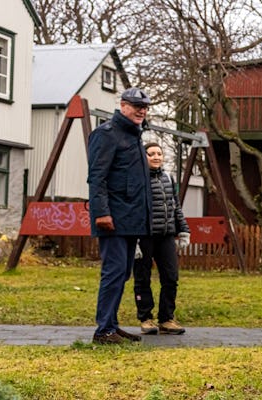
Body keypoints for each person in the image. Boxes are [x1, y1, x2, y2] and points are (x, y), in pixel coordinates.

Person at [87, 87, 154, 344]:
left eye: (144, 107)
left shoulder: (134, 136)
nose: (141, 111)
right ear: (123, 105)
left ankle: (111, 325)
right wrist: (101, 213)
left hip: (132, 219)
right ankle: (103, 330)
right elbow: (97, 177)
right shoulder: (106, 134)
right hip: (113, 218)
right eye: (136, 106)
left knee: (123, 272)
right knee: (114, 272)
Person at [133, 142, 191, 335]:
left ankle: (166, 319)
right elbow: (133, 209)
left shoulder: (168, 178)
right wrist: (133, 240)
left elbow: (176, 207)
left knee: (171, 277)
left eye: (159, 153)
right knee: (143, 278)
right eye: (151, 154)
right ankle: (146, 318)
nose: (156, 157)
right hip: (144, 236)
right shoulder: (137, 179)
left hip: (166, 235)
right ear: (144, 156)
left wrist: (183, 230)